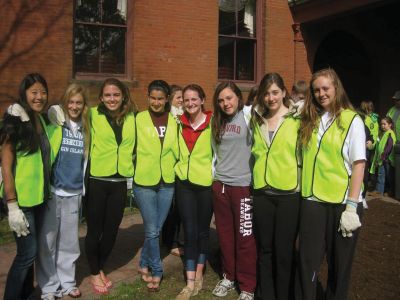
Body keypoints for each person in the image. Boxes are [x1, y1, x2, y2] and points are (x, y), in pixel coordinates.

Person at [298, 68, 365, 300]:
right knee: (308, 262)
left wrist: (352, 206)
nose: (321, 93)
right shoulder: (312, 118)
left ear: (336, 88)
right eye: (316, 90)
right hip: (312, 200)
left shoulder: (351, 119)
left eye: (325, 88)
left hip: (341, 202)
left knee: (339, 265)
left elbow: (359, 164)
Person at [0, 73, 57, 300]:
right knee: (26, 253)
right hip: (21, 201)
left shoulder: (40, 119)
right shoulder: (13, 122)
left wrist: (54, 115)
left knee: (30, 253)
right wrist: (12, 205)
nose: (39, 97)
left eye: (43, 92)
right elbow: (6, 168)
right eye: (34, 92)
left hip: (40, 198)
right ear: (24, 93)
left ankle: (26, 293)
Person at [35, 83, 90, 299]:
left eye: (79, 102)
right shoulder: (55, 123)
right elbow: (40, 115)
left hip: (74, 192)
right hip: (53, 191)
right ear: (64, 102)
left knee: (69, 243)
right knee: (47, 242)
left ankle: (67, 282)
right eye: (71, 102)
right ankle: (49, 287)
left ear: (84, 105)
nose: (74, 106)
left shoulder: (86, 128)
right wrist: (52, 110)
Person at [251, 73, 301, 300]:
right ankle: (266, 295)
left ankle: (284, 295)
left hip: (289, 194)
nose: (270, 98)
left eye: (275, 92)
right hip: (262, 193)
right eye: (266, 93)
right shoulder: (256, 118)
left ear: (283, 93)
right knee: (265, 250)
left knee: (284, 251)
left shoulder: (297, 119)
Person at [85, 78, 136, 295]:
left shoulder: (133, 117)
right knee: (94, 230)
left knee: (111, 231)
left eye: (116, 95)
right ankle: (95, 272)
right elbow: (68, 110)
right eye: (107, 95)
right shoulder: (92, 115)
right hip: (98, 180)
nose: (112, 99)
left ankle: (100, 265)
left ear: (123, 96)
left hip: (119, 182)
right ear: (101, 97)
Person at [211, 82, 257, 300]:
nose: (225, 103)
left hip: (243, 187)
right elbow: (215, 152)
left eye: (229, 98)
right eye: (221, 100)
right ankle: (228, 276)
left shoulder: (249, 116)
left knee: (245, 237)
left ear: (238, 98)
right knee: (225, 235)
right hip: (220, 185)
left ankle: (247, 286)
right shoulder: (216, 121)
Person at [134, 80, 178, 292]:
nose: (157, 102)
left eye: (161, 99)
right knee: (152, 230)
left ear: (167, 99)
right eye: (153, 98)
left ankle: (143, 262)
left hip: (167, 181)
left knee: (156, 229)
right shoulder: (138, 119)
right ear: (148, 97)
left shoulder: (174, 119)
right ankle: (156, 270)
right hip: (144, 182)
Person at [175, 84, 213, 300]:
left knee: (202, 232)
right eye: (186, 100)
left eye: (194, 99)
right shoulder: (178, 123)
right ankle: (189, 283)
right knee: (189, 232)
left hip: (205, 185)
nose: (190, 103)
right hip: (184, 185)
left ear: (202, 100)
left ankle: (199, 274)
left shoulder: (213, 123)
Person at [162, 84, 185, 257]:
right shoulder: (168, 118)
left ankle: (176, 240)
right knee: (170, 207)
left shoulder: (184, 117)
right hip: (169, 167)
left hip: (182, 167)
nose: (182, 101)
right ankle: (170, 241)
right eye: (179, 98)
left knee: (179, 207)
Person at [370, 117, 396, 196]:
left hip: (387, 159)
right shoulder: (382, 134)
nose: (382, 126)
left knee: (388, 176)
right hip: (382, 159)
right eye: (381, 124)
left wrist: (384, 155)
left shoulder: (390, 133)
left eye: (384, 124)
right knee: (381, 174)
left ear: (390, 125)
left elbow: (389, 146)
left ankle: (386, 191)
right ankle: (380, 191)